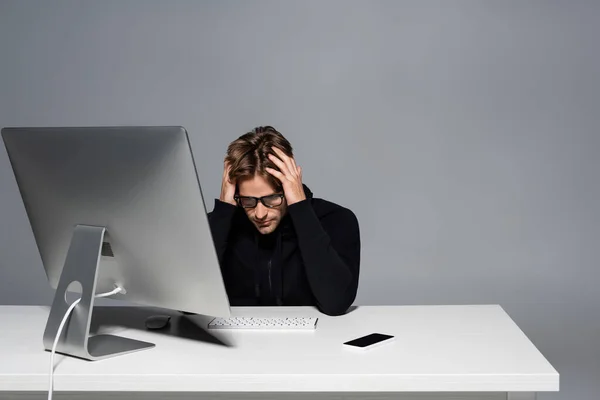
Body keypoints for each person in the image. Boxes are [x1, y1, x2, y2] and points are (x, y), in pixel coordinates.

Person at [207, 126, 360, 316]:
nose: (260, 213)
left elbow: (336, 304)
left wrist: (300, 206)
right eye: (248, 201)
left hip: (315, 342)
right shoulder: (216, 226)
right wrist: (223, 210)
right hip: (239, 343)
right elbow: (189, 307)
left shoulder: (336, 220)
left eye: (271, 199)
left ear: (289, 186)